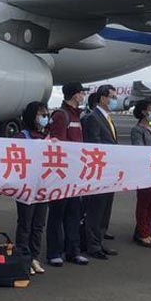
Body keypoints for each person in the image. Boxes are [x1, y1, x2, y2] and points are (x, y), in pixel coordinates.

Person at [45, 83, 89, 268]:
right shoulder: (61, 115)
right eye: (81, 93)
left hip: (74, 173)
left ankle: (73, 250)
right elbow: (59, 146)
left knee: (73, 213)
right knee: (57, 214)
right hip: (62, 174)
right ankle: (54, 252)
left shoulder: (76, 115)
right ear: (75, 95)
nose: (83, 96)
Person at [80, 85, 119, 260]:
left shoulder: (107, 118)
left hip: (110, 171)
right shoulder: (92, 118)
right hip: (99, 171)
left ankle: (100, 241)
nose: (114, 100)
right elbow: (94, 145)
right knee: (96, 210)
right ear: (103, 98)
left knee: (105, 210)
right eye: (112, 97)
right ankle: (93, 245)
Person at [13, 101, 49, 274]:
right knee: (25, 224)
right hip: (26, 187)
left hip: (43, 187)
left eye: (46, 114)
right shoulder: (22, 137)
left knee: (38, 224)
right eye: (41, 114)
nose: (45, 118)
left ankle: (34, 257)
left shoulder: (47, 137)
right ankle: (23, 257)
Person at [130, 100, 151, 247]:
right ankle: (143, 233)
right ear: (144, 111)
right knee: (144, 203)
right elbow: (139, 150)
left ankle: (147, 230)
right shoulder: (137, 130)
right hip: (145, 171)